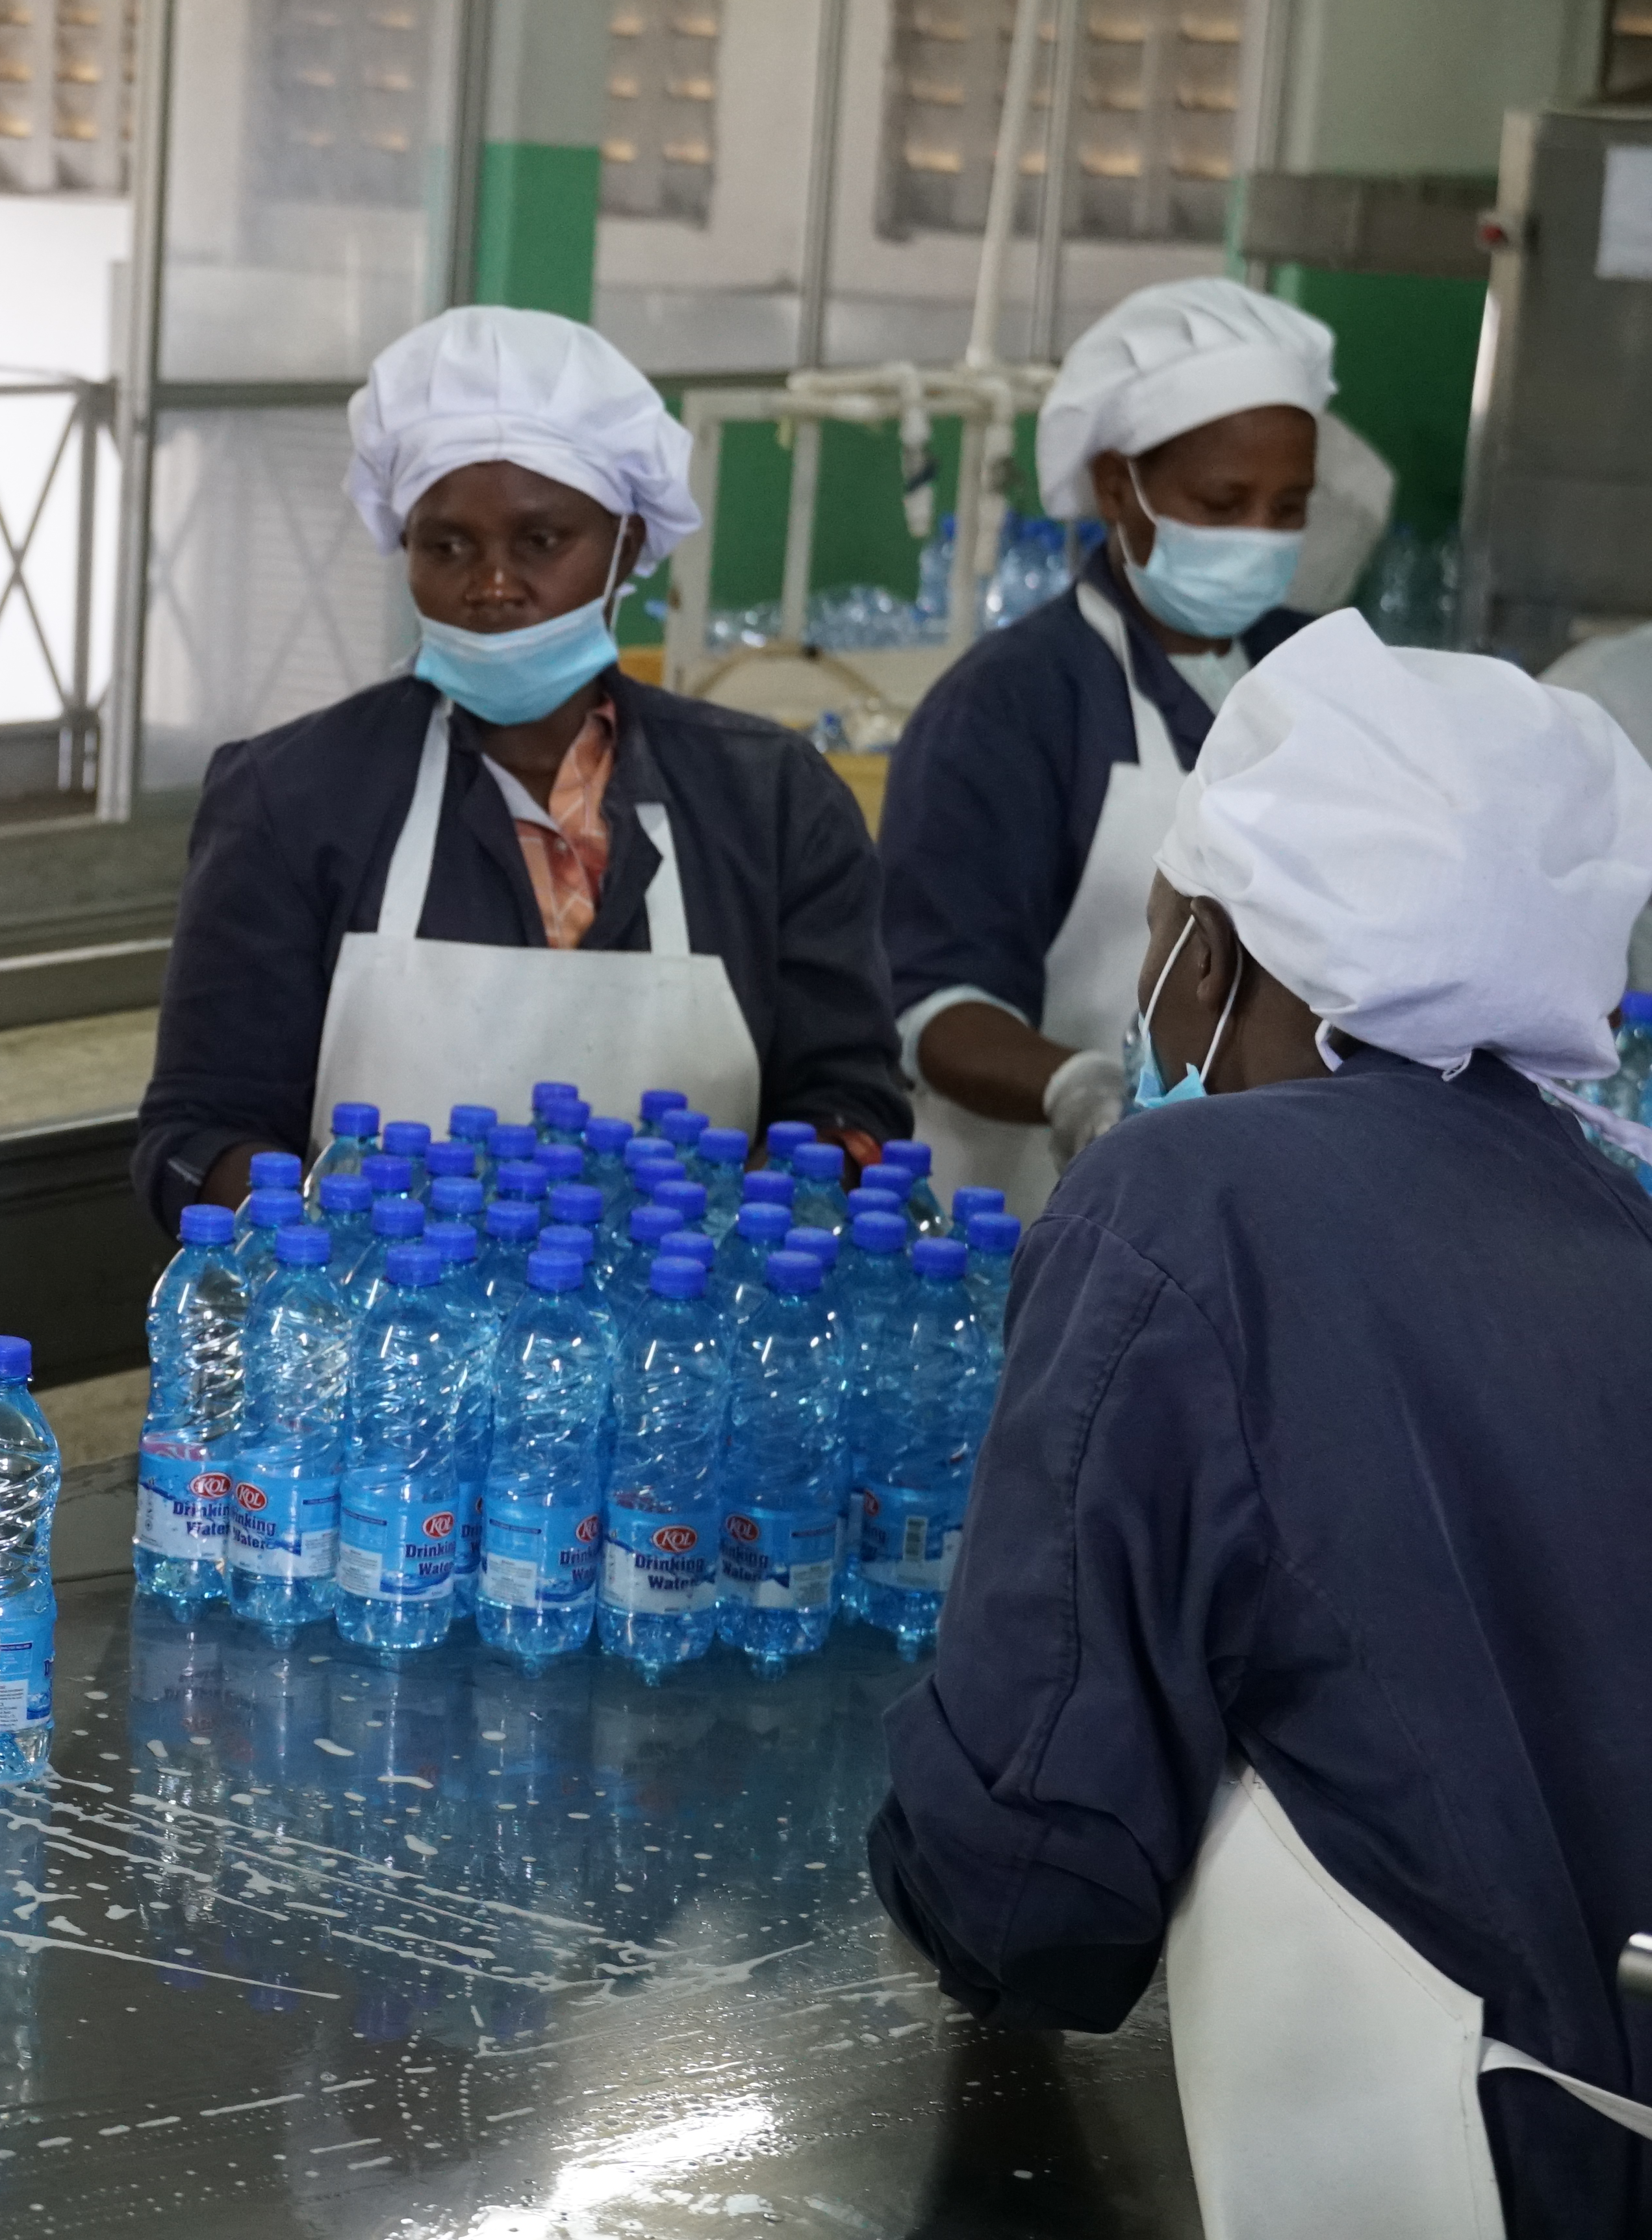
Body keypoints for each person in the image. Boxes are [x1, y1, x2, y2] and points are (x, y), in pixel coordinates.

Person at [870, 612, 1652, 2237]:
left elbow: (1028, 1890)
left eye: (1159, 938)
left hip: (1434, 2162)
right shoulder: (1611, 1208)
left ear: (1205, 960)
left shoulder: (1184, 1199)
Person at [133, 306, 907, 1222]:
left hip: (688, 1341)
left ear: (625, 546)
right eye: (447, 545)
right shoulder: (293, 800)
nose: (491, 584)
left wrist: (742, 1216)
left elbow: (853, 1106)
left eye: (541, 543)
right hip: (377, 1341)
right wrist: (345, 1226)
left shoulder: (771, 804)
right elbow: (195, 1131)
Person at [876, 277, 1334, 1212]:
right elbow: (932, 1000)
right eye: (1223, 500)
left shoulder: (1328, 674)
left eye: (1288, 509)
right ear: (1120, 485)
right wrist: (1083, 1092)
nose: (1259, 536)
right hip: (1029, 1207)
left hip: (1273, 1199)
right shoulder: (1011, 706)